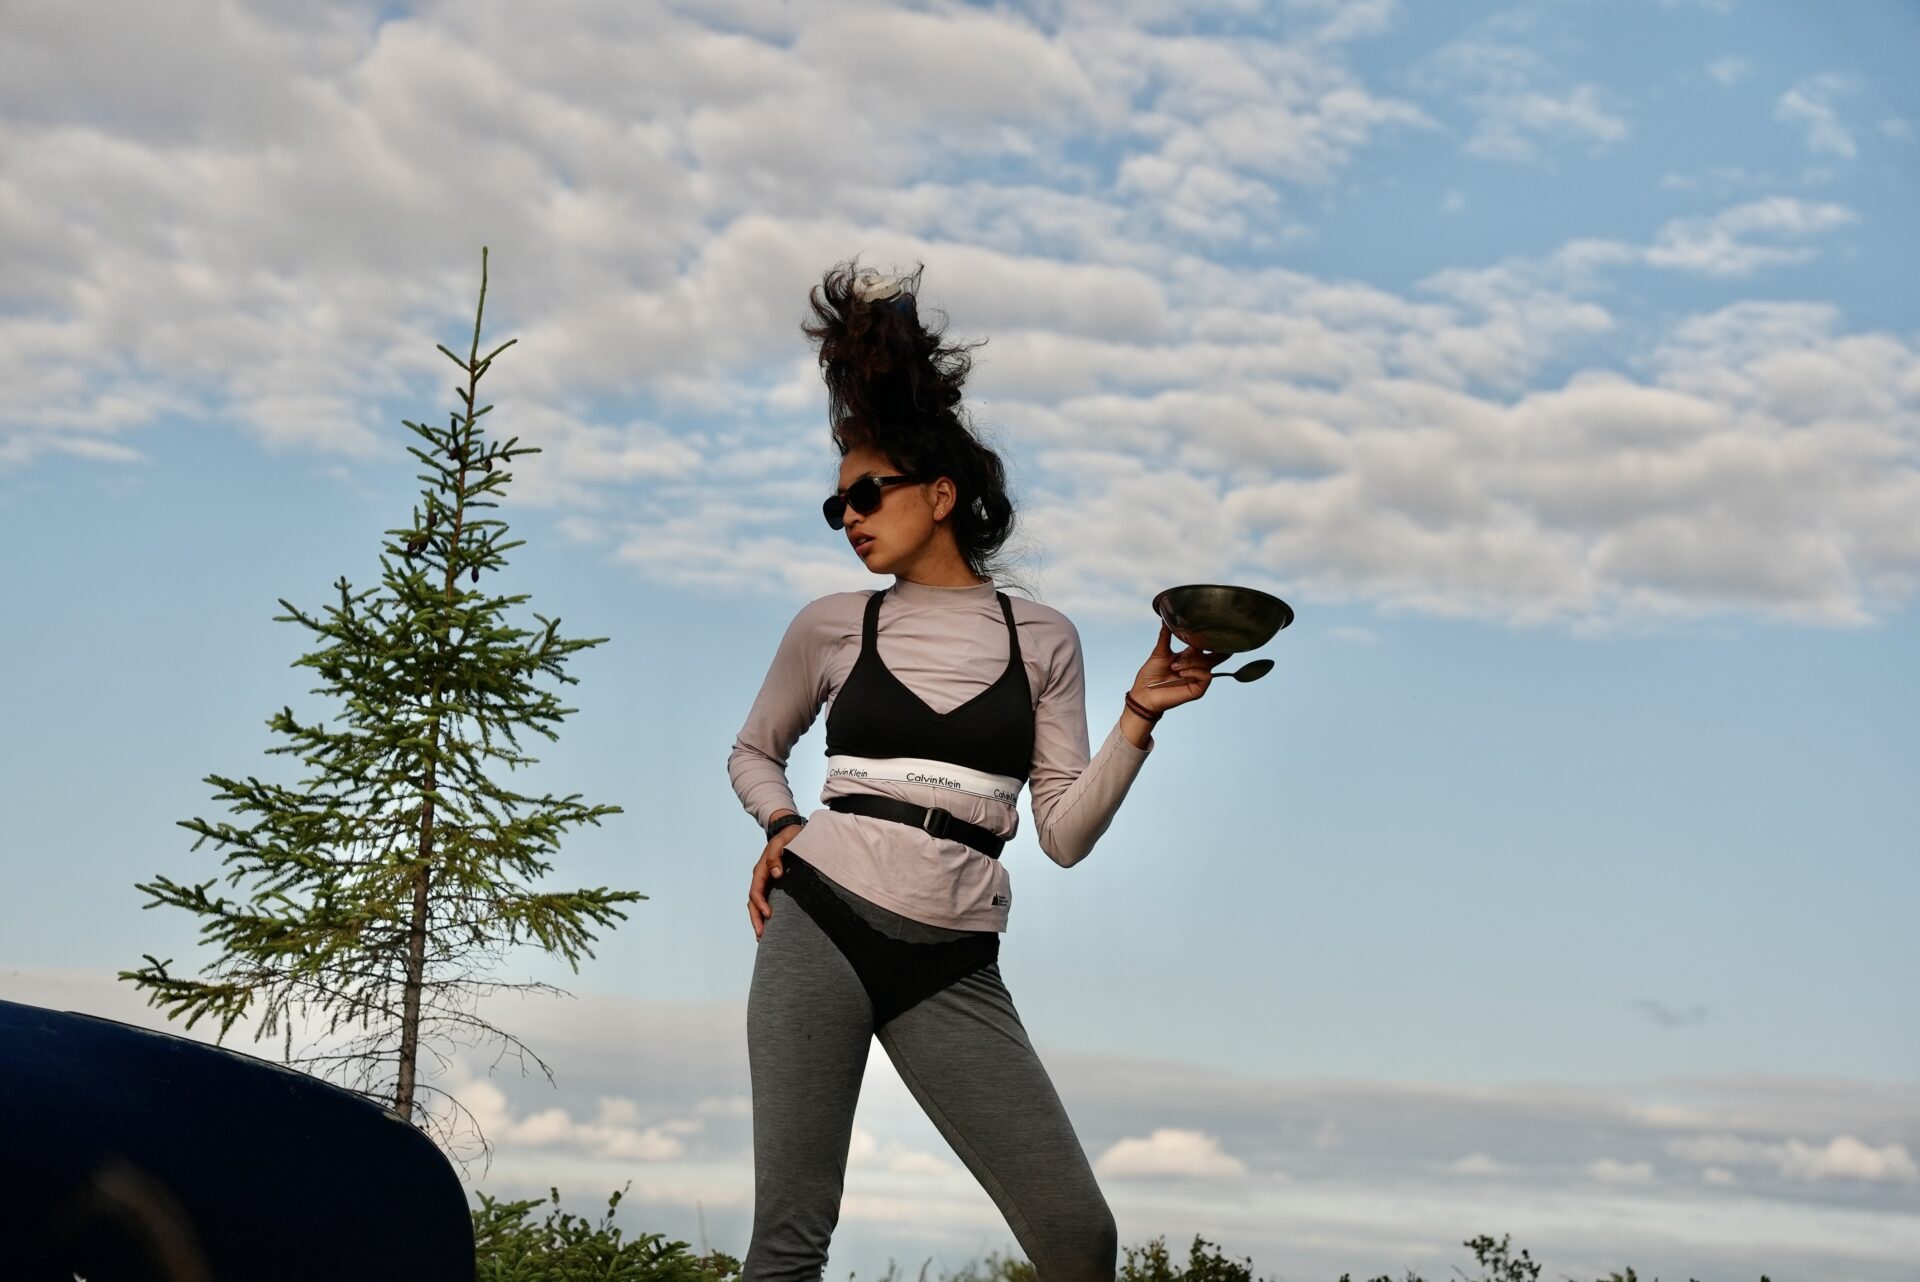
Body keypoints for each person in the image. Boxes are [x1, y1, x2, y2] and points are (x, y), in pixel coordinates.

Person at [727, 261, 1223, 1282]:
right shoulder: (831, 624)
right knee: (790, 1239)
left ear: (940, 493)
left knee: (1080, 1239)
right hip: (821, 920)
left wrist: (1139, 715)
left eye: (868, 492)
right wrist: (780, 826)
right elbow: (752, 750)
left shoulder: (1043, 637)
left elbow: (1065, 834)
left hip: (952, 959)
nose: (850, 515)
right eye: (837, 505)